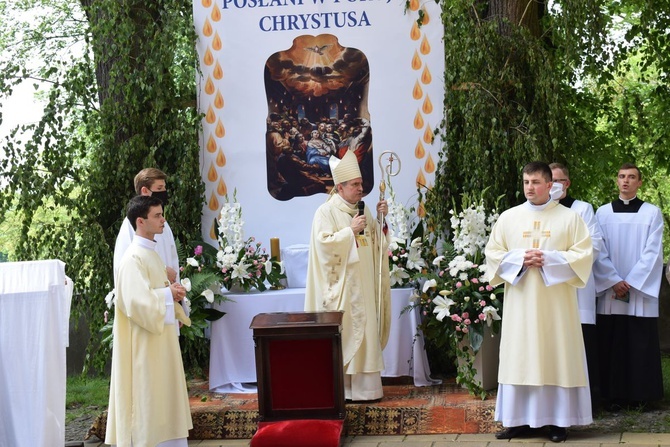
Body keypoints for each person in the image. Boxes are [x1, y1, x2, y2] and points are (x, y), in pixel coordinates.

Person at [485, 161, 593, 443]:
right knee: (520, 357)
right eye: (525, 182)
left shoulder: (570, 218)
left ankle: (559, 422)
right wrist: (520, 259)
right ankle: (518, 421)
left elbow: (583, 256)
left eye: (535, 182)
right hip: (521, 303)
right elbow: (493, 254)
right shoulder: (509, 218)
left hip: (556, 306)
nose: (529, 188)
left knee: (555, 355)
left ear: (550, 185)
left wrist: (549, 260)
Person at [105, 195, 192, 447]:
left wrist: (173, 292)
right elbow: (136, 303)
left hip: (160, 343)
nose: (163, 219)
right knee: (148, 399)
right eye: (157, 215)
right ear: (140, 222)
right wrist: (168, 294)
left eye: (162, 214)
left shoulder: (151, 255)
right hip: (144, 348)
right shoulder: (133, 259)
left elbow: (155, 293)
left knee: (165, 399)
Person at [304, 150, 391, 402]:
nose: (360, 188)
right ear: (339, 188)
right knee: (347, 334)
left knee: (365, 334)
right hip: (342, 288)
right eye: (355, 184)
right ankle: (343, 390)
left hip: (364, 284)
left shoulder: (363, 210)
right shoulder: (326, 212)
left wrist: (382, 221)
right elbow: (323, 246)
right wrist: (349, 232)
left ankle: (366, 390)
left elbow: (377, 242)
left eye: (361, 183)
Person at [593, 163, 664, 410]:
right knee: (613, 342)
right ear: (616, 181)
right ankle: (612, 396)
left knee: (639, 342)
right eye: (622, 176)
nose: (626, 181)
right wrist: (613, 280)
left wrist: (630, 282)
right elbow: (597, 250)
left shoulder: (652, 213)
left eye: (632, 177)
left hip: (638, 291)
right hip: (612, 289)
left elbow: (653, 252)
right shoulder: (601, 213)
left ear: (639, 183)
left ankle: (642, 395)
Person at [550, 162, 603, 409]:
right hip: (547, 289)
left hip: (576, 286)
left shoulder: (582, 210)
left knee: (581, 344)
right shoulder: (539, 211)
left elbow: (594, 245)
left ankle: (587, 401)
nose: (552, 186)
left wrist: (559, 262)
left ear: (567, 184)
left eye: (557, 181)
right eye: (548, 181)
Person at [114, 168, 180, 285]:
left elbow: (173, 258)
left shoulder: (164, 223)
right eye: (159, 188)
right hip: (147, 294)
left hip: (169, 294)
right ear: (145, 191)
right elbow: (125, 265)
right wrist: (163, 271)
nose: (164, 192)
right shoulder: (131, 224)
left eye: (164, 188)